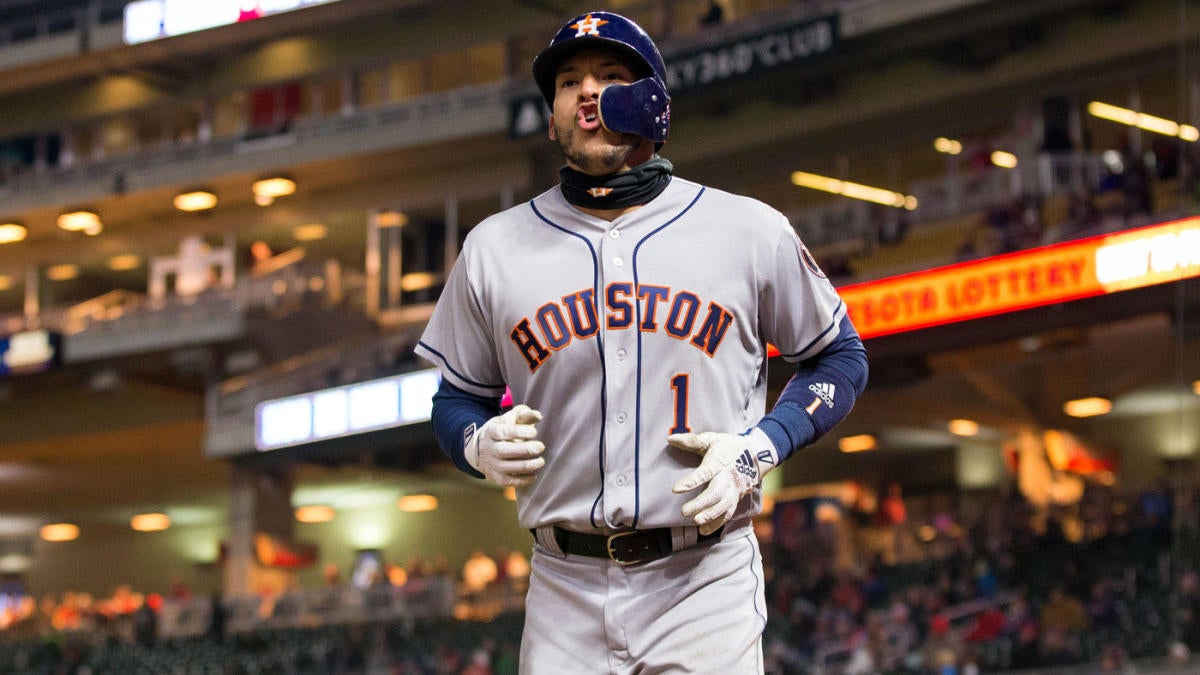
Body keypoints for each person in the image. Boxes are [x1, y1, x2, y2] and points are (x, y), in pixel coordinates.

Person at [415, 10, 867, 673]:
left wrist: (759, 447)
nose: (587, 92)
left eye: (610, 75)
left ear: (653, 103)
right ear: (551, 117)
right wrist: (474, 443)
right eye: (568, 82)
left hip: (703, 578)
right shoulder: (493, 248)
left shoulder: (746, 229)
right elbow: (456, 399)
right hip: (562, 585)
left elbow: (841, 357)